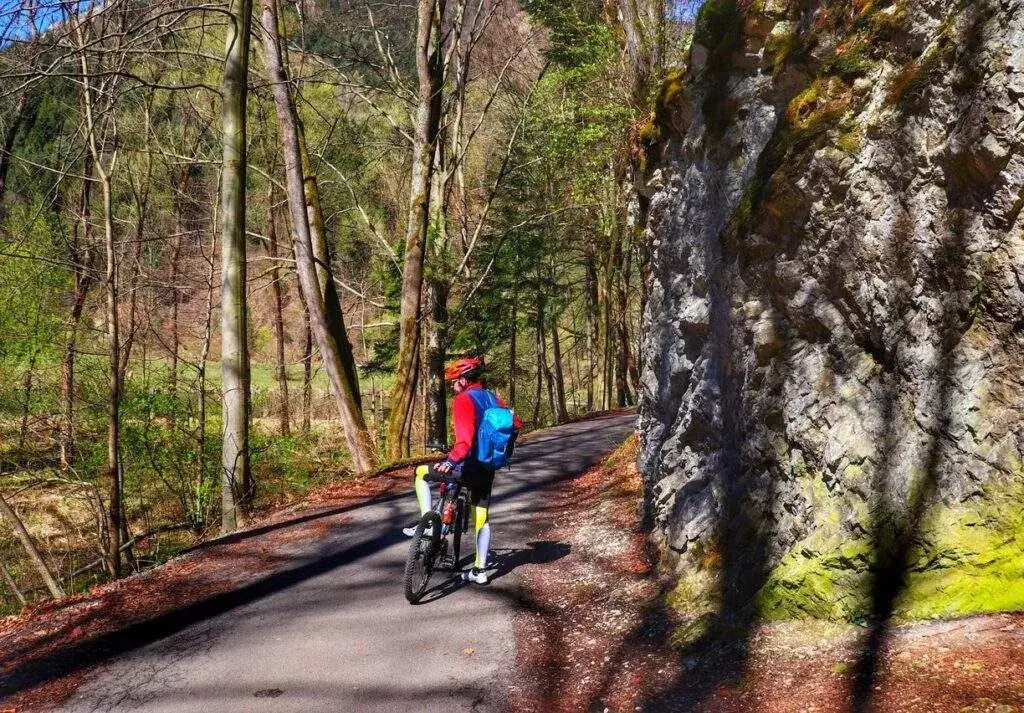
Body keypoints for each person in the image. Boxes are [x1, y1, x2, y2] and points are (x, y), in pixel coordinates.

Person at [403, 356, 521, 585]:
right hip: (487, 467)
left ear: (464, 381)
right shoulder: (493, 397)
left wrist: (451, 461)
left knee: (420, 473)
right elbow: (514, 423)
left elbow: (464, 441)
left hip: (467, 467)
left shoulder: (464, 399)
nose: (452, 386)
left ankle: (428, 524)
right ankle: (479, 571)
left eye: (454, 381)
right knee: (481, 518)